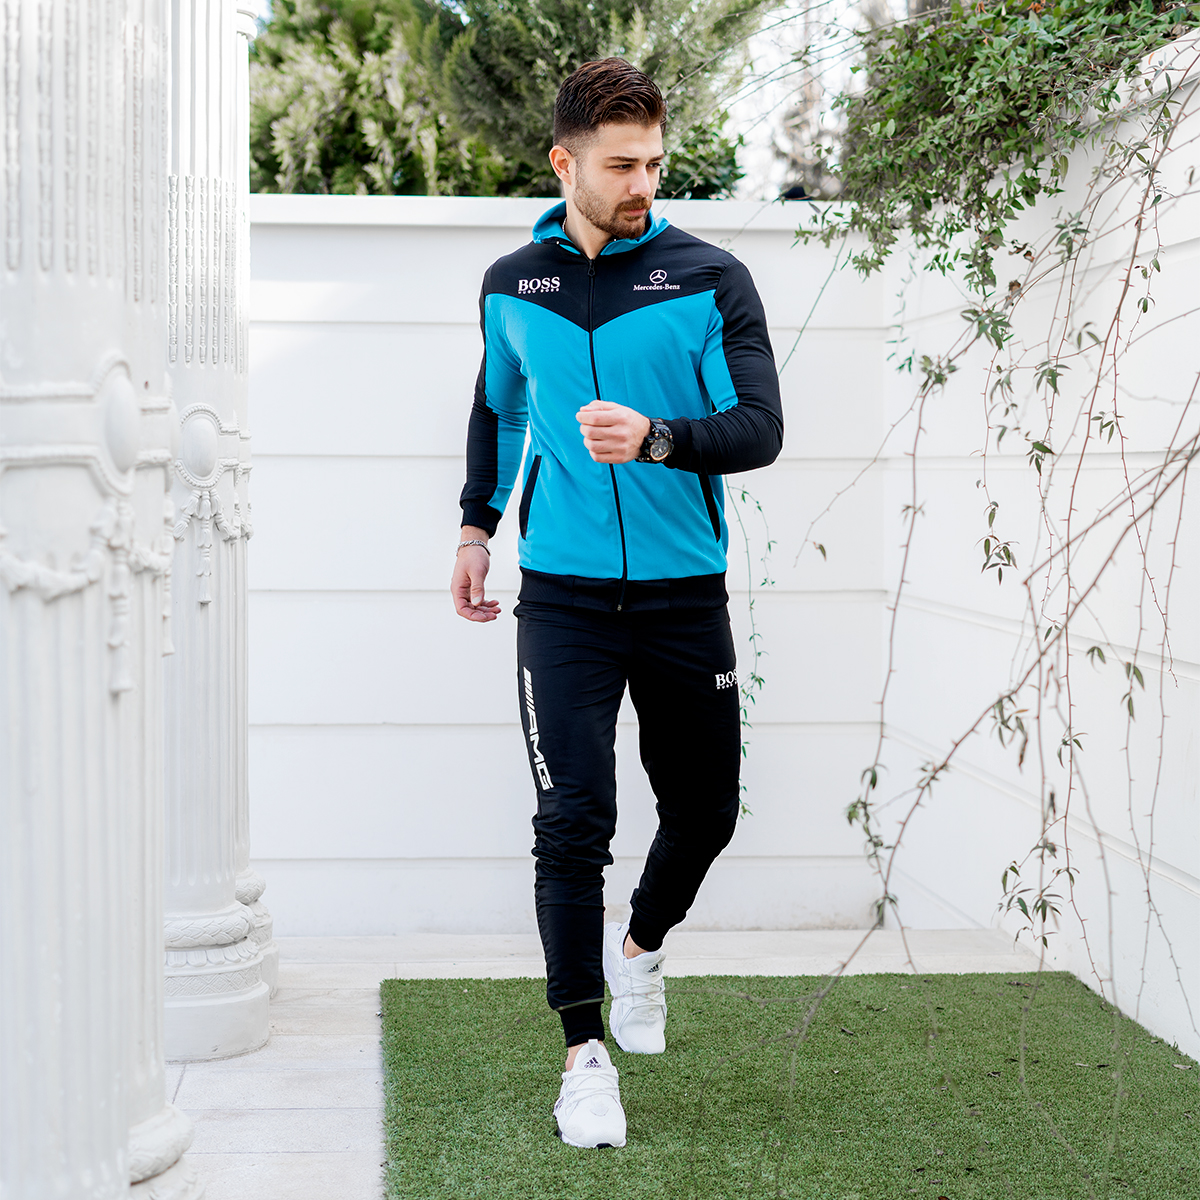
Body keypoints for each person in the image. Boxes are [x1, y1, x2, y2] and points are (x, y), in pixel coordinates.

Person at [450, 57, 783, 1149]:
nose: (643, 183)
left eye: (653, 162)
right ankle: (582, 1057)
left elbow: (760, 428)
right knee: (571, 821)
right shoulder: (514, 284)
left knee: (707, 811)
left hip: (685, 596)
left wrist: (657, 438)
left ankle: (640, 950)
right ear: (566, 162)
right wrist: (475, 528)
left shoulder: (709, 277)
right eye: (621, 165)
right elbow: (499, 411)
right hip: (564, 600)